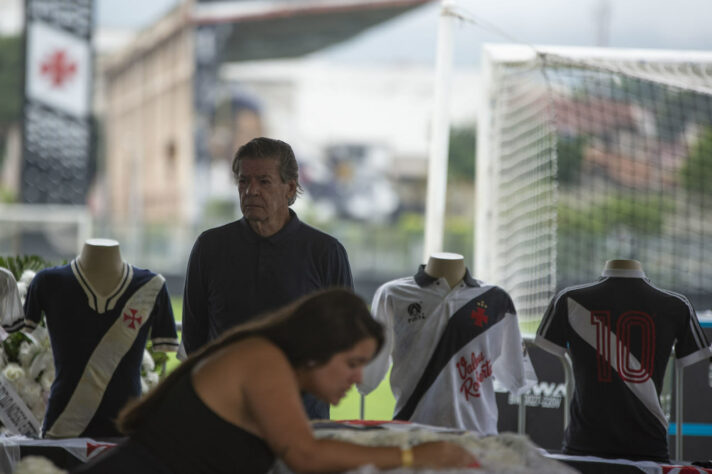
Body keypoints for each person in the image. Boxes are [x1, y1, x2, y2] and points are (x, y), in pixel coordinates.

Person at [73, 289, 478, 474]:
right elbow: (305, 456)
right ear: (319, 348)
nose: (357, 380)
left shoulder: (265, 358)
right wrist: (415, 456)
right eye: (352, 363)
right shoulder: (263, 360)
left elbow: (301, 443)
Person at [181, 136, 353, 419]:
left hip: (301, 421)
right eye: (243, 181)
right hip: (224, 419)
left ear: (290, 188)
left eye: (264, 181)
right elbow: (194, 338)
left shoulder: (326, 253)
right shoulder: (209, 248)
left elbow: (342, 341)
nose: (251, 191)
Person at [535, 259, 712, 462]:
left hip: (585, 441)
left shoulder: (568, 299)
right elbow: (693, 355)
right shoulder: (677, 304)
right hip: (646, 444)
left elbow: (547, 345)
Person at [358, 252, 537, 434]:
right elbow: (368, 374)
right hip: (413, 428)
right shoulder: (391, 294)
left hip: (478, 432)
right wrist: (365, 380)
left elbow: (517, 377)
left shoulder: (497, 300)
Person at [21, 238, 179, 438]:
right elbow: (24, 329)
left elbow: (167, 349)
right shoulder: (46, 282)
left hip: (124, 427)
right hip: (63, 425)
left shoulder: (152, 286)